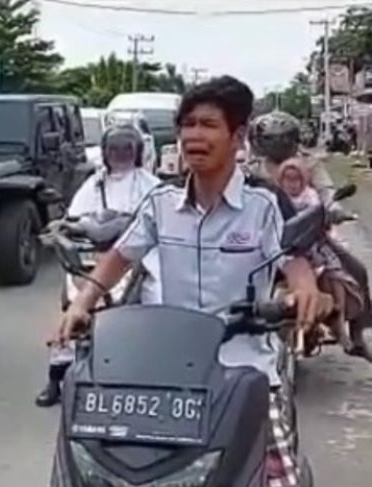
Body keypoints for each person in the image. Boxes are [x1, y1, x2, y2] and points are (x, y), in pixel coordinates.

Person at [54, 76, 331, 487]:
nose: (193, 136)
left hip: (245, 369)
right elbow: (119, 256)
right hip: (169, 368)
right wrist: (83, 302)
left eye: (208, 124)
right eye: (187, 125)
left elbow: (294, 261)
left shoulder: (264, 204)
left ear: (238, 138)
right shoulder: (160, 203)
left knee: (283, 478)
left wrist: (305, 292)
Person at [35, 124, 162, 407]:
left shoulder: (150, 185)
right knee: (71, 307)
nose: (120, 153)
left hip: (133, 261)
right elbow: (75, 216)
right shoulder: (94, 183)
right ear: (105, 152)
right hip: (91, 259)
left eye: (126, 148)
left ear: (137, 152)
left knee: (154, 305)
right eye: (114, 148)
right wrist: (64, 228)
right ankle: (56, 377)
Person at [249, 110, 372, 361]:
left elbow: (326, 190)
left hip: (309, 236)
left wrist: (334, 210)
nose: (277, 144)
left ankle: (357, 335)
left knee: (357, 271)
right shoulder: (252, 168)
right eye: (271, 139)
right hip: (264, 237)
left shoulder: (309, 163)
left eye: (282, 138)